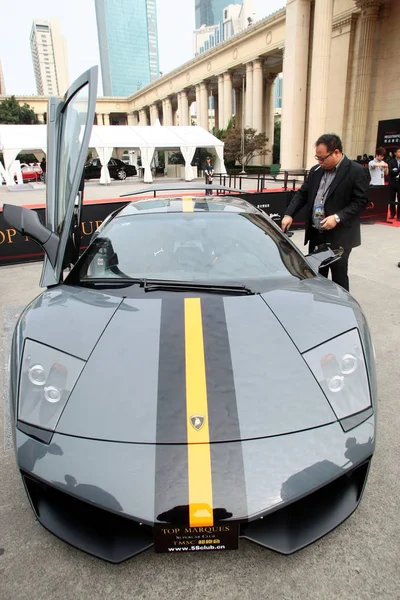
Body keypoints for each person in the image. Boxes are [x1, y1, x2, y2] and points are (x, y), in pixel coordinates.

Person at [281, 133, 369, 291]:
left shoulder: (356, 171)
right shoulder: (316, 170)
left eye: (323, 158)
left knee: (338, 276)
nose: (319, 162)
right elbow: (303, 194)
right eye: (317, 158)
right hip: (316, 233)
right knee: (315, 275)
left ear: (336, 152)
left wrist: (337, 217)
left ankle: (341, 310)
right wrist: (289, 214)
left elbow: (360, 201)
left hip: (340, 235)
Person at [388, 148, 400, 220]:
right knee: (391, 198)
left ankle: (399, 215)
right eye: (399, 151)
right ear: (395, 153)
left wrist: (396, 171)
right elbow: (391, 172)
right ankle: (392, 213)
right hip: (392, 181)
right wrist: (398, 171)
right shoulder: (391, 161)